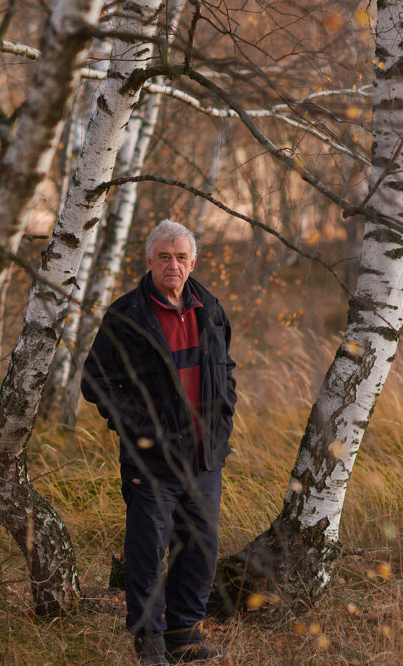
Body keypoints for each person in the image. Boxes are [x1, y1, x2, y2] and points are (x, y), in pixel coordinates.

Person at [82, 220, 237, 665]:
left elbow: (225, 367)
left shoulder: (209, 307)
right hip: (150, 461)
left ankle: (183, 636)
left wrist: (223, 416)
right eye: (164, 257)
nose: (173, 265)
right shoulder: (127, 315)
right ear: (148, 261)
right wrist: (139, 429)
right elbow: (96, 381)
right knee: (148, 551)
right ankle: (149, 642)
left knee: (201, 547)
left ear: (193, 262)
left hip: (204, 456)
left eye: (181, 257)